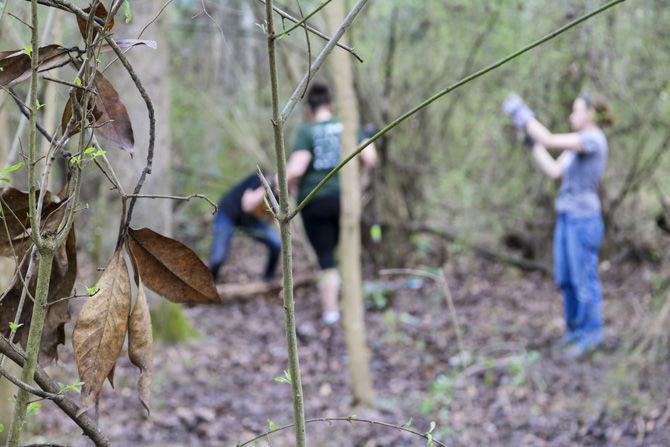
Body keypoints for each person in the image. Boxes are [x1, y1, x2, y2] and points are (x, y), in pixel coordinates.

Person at [503, 91, 612, 357]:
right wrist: (532, 144)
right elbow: (553, 170)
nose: (571, 115)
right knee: (566, 278)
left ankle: (592, 333)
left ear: (590, 114)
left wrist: (522, 114)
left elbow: (549, 139)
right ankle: (574, 330)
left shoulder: (593, 140)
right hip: (567, 217)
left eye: (576, 110)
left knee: (584, 277)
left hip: (584, 220)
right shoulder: (576, 146)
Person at [286, 82, 378, 325]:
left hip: (315, 201)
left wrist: (285, 185)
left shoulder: (307, 132)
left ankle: (331, 313)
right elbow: (370, 158)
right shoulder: (346, 127)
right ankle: (353, 305)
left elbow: (296, 169)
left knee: (327, 259)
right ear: (331, 106)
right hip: (344, 200)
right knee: (348, 252)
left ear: (309, 110)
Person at [208, 172, 281, 282]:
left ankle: (268, 279)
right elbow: (246, 205)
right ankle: (210, 283)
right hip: (227, 213)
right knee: (218, 257)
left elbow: (269, 216)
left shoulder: (279, 195)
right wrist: (268, 187)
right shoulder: (260, 178)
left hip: (249, 221)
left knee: (276, 243)